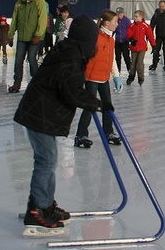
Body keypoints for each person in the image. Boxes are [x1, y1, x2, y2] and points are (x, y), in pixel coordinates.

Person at [13, 13, 104, 237]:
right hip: (39, 114)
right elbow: (71, 92)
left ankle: (44, 204)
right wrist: (97, 103)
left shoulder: (70, 51)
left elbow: (68, 88)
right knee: (46, 161)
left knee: (47, 160)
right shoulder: (71, 58)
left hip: (40, 112)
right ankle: (37, 211)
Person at [74, 10, 123, 148]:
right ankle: (81, 135)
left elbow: (112, 59)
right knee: (90, 106)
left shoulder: (111, 39)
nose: (117, 24)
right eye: (115, 22)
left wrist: (116, 76)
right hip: (91, 77)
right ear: (107, 23)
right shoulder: (95, 37)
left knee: (108, 106)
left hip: (104, 78)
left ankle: (109, 132)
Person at [7, 0, 48, 93]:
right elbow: (15, 20)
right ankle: (17, 84)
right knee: (18, 60)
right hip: (22, 37)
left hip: (34, 37)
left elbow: (42, 20)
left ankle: (37, 83)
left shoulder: (40, 2)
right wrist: (10, 35)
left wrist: (38, 35)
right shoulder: (19, 3)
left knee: (31, 58)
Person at [126, 10, 155, 85]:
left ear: (141, 17)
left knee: (139, 63)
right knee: (133, 63)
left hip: (142, 47)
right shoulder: (132, 26)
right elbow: (128, 34)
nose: (135, 18)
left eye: (136, 16)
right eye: (134, 16)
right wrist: (131, 39)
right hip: (134, 47)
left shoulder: (146, 26)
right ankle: (131, 77)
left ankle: (141, 77)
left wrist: (153, 45)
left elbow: (150, 36)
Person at [112, 7, 132, 75]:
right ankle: (118, 70)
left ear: (123, 14)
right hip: (117, 41)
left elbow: (130, 30)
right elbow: (113, 29)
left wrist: (130, 38)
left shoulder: (127, 20)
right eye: (117, 14)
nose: (119, 16)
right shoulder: (115, 20)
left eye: (120, 14)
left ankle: (129, 69)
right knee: (117, 57)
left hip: (125, 41)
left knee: (126, 56)